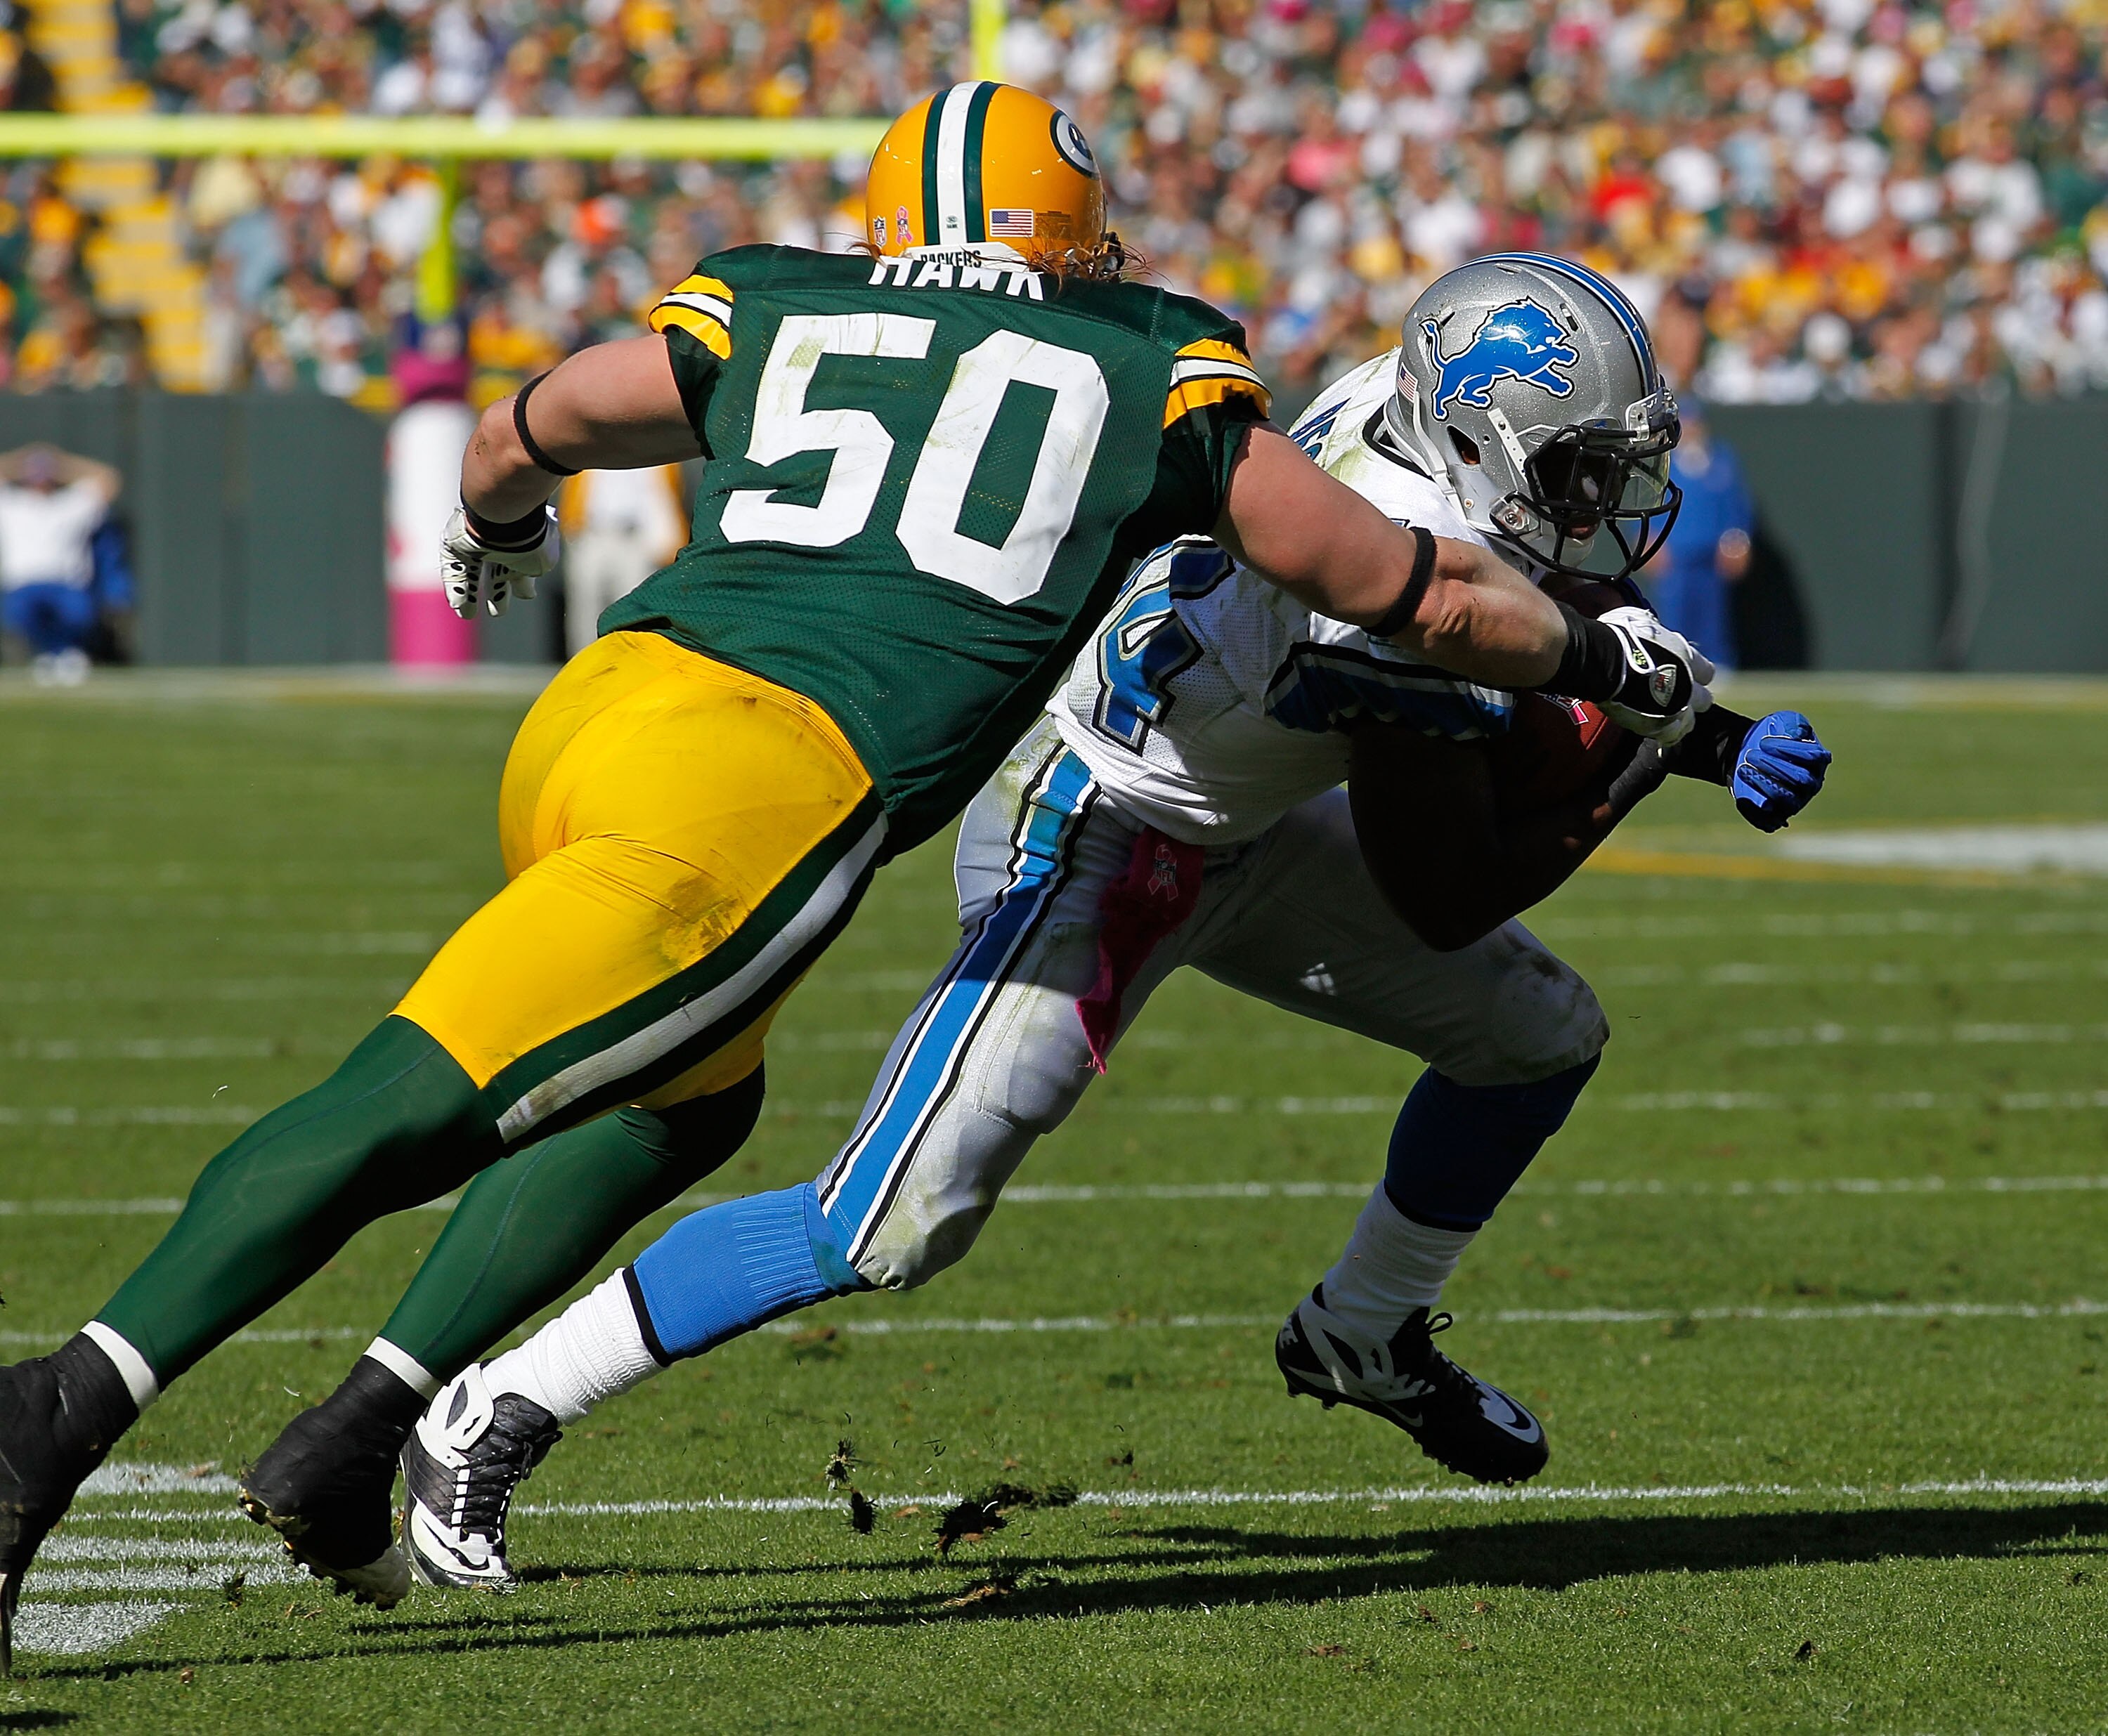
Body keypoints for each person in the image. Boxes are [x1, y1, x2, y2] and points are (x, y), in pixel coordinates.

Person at [0, 91, 1711, 1663]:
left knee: (681, 1106)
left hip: (610, 709)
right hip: (767, 790)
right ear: (1060, 235)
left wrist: (497, 529)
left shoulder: (774, 296)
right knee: (422, 1103)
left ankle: (364, 1430)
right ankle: (51, 1418)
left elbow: (536, 424)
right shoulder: (1155, 358)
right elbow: (1408, 593)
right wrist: (1611, 663)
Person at [369, 261, 1830, 1590]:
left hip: (1231, 805)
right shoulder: (1403, 586)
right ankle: (493, 1406)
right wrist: (1656, 755)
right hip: (1094, 825)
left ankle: (1365, 1329)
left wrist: (1704, 729)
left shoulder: (1401, 415)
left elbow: (1542, 606)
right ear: (1475, 436)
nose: (1603, 498)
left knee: (1536, 1035)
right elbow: (1447, 884)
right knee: (890, 1221)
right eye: (1578, 466)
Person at [1641, 398, 1757, 671]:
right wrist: (1648, 541)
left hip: (1711, 554)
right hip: (1676, 552)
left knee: (1713, 613)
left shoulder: (1721, 460)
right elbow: (1647, 504)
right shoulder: (1664, 463)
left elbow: (1736, 506)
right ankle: (1675, 662)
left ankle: (1718, 662)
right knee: (1676, 610)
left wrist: (1737, 541)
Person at [0, 443, 120, 686]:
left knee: (77, 614)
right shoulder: (11, 504)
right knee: (20, 614)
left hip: (65, 583)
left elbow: (109, 479)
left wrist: (61, 465)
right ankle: (52, 654)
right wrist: (21, 462)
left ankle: (65, 655)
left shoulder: (71, 504)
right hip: (23, 584)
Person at [557, 464, 689, 655]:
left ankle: (624, 667)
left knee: (631, 610)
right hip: (591, 534)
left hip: (635, 537)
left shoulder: (653, 449)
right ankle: (583, 667)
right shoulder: (592, 445)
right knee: (585, 609)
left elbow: (667, 491)